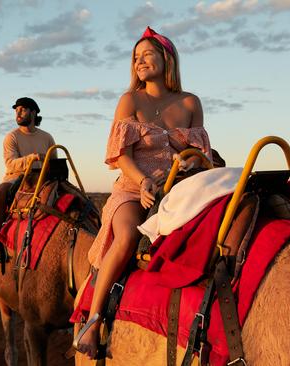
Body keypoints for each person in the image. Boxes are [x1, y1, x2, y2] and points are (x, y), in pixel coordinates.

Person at [73, 26, 212, 359]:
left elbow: (202, 152)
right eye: (136, 57)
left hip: (180, 188)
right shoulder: (130, 100)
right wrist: (143, 181)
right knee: (126, 237)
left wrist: (190, 162)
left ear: (167, 58)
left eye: (147, 54)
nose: (139, 62)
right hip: (135, 188)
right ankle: (92, 320)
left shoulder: (190, 102)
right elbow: (122, 154)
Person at [0, 97, 56, 262]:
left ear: (33, 112)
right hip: (17, 177)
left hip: (44, 177)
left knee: (74, 197)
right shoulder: (12, 137)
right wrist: (33, 158)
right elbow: (10, 163)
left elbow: (53, 162)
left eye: (23, 109)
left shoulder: (47, 137)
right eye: (16, 110)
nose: (18, 113)